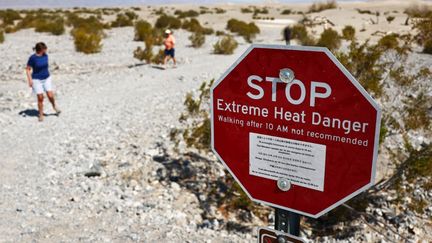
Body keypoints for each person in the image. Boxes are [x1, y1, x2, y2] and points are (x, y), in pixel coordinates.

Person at [26, 42, 60, 122]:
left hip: (47, 78)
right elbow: (28, 69)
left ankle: (54, 106)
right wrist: (30, 80)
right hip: (36, 79)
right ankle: (41, 114)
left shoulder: (45, 56)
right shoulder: (32, 58)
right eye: (45, 49)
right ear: (40, 50)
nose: (46, 50)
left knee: (50, 95)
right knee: (40, 97)